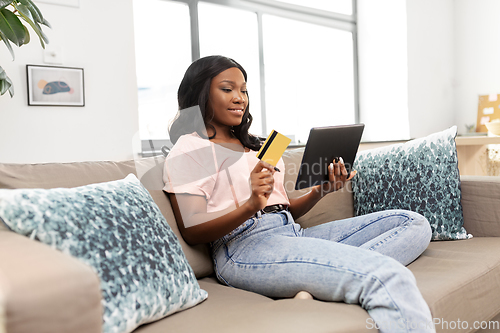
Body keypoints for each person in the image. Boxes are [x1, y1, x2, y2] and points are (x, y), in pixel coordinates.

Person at [163, 55, 435, 333]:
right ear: (200, 93)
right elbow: (192, 228)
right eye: (227, 88)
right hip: (243, 246)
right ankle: (337, 274)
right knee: (386, 274)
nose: (239, 98)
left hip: (292, 233)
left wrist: (321, 190)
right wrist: (249, 205)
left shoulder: (258, 144)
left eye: (244, 90)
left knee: (413, 223)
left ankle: (322, 279)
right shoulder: (189, 148)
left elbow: (285, 208)